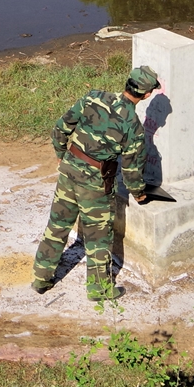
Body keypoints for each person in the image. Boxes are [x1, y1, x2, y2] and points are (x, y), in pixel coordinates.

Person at [30, 66, 159, 302]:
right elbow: (131, 172)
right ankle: (99, 289)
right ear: (147, 94)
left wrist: (61, 153)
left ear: (127, 83)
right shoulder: (133, 127)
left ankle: (41, 278)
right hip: (96, 185)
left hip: (69, 172)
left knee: (57, 225)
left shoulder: (94, 97)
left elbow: (61, 127)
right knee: (98, 238)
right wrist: (140, 194)